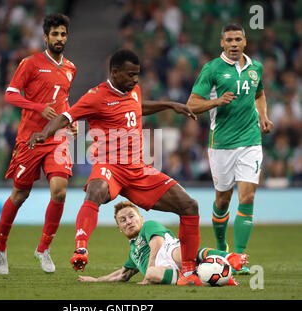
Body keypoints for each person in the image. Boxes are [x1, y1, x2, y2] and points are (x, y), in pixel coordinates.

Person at [29, 49, 204, 285]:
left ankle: (189, 272)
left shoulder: (134, 91)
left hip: (138, 170)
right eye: (131, 75)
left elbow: (139, 107)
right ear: (115, 72)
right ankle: (81, 248)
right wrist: (44, 133)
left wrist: (171, 105)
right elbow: (65, 118)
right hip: (109, 166)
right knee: (95, 190)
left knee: (189, 206)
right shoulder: (95, 97)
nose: (135, 79)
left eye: (137, 74)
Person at [0, 13, 77, 275]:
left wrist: (70, 117)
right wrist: (38, 108)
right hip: (30, 139)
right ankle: (0, 245)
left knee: (60, 191)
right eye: (55, 34)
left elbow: (63, 99)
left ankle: (43, 249)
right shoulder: (30, 63)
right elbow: (10, 94)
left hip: (57, 138)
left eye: (63, 34)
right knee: (20, 195)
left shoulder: (71, 68)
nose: (59, 38)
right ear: (45, 37)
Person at [186, 23, 274, 274]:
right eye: (229, 40)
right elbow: (192, 104)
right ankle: (222, 246)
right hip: (221, 144)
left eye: (238, 39)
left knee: (247, 197)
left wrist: (263, 116)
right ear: (222, 44)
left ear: (245, 42)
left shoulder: (256, 67)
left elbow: (259, 94)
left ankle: (239, 258)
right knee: (223, 200)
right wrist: (217, 100)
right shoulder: (212, 69)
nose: (234, 44)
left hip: (251, 140)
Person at [78, 201, 248, 286]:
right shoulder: (133, 253)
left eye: (131, 216)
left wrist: (149, 268)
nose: (128, 221)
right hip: (163, 269)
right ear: (119, 228)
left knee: (182, 255)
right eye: (123, 220)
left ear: (141, 218)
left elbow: (158, 243)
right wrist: (96, 280)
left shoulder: (149, 226)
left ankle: (230, 257)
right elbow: (123, 275)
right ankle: (196, 279)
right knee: (153, 275)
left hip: (169, 250)